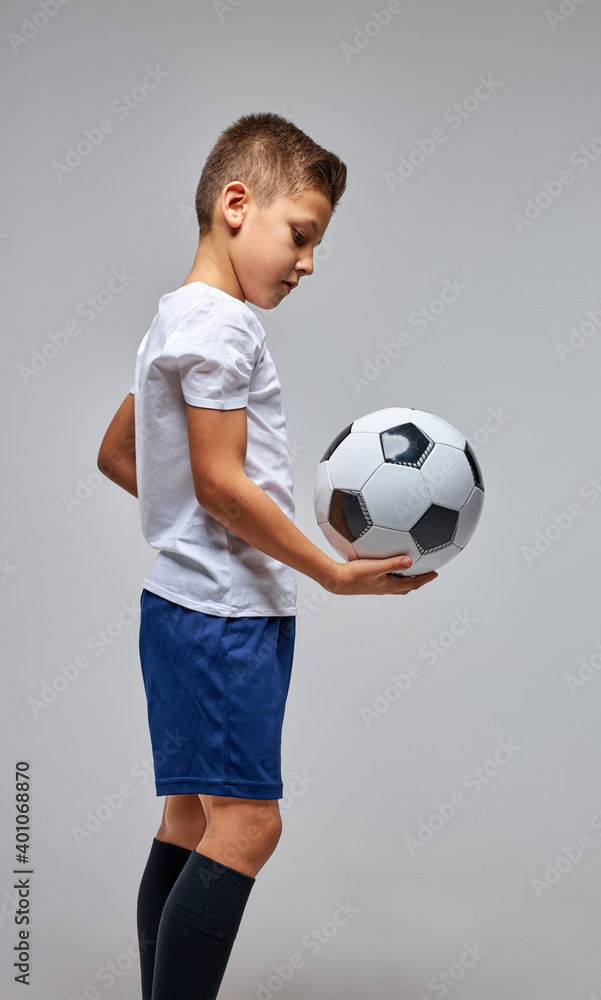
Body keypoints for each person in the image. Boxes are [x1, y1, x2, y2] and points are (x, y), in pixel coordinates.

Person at [96, 111, 438, 1000]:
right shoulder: (227, 328)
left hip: (180, 609)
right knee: (248, 828)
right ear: (236, 205)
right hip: (222, 620)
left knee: (189, 819)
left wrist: (225, 522)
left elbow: (123, 457)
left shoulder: (174, 318)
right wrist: (321, 566)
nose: (308, 262)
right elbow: (216, 484)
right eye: (302, 234)